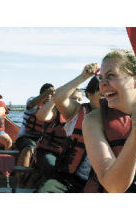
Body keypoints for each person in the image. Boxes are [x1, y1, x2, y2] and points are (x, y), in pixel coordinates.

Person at [82, 49, 136, 193]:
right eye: (100, 78)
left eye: (111, 75)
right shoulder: (93, 120)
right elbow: (113, 187)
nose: (102, 84)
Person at [35, 63, 103, 193]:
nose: (107, 100)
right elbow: (58, 97)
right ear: (89, 95)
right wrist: (84, 76)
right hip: (71, 179)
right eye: (102, 96)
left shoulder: (120, 115)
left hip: (104, 182)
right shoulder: (77, 112)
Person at [15, 83, 55, 187]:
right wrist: (47, 92)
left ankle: (34, 182)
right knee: (29, 149)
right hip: (26, 138)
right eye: (46, 94)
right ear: (41, 94)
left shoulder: (54, 108)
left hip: (43, 139)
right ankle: (19, 183)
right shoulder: (32, 101)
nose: (48, 97)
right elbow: (32, 103)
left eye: (51, 95)